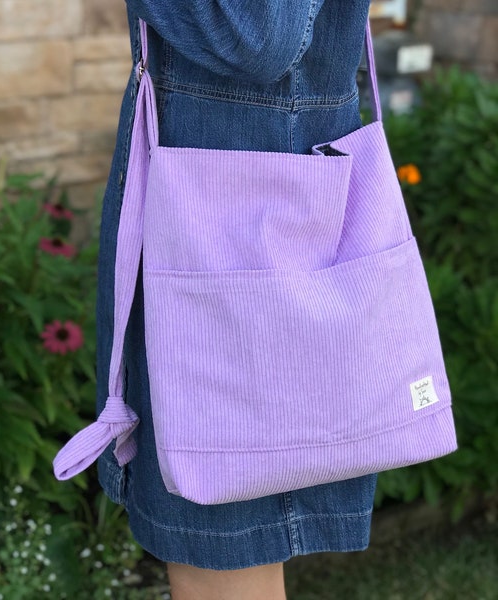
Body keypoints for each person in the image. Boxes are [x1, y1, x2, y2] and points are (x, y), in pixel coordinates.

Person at [96, 1, 376, 598]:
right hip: (225, 204)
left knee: (216, 567)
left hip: (234, 220)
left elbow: (256, 34)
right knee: (211, 562)